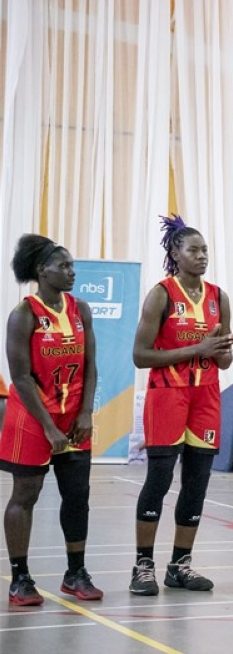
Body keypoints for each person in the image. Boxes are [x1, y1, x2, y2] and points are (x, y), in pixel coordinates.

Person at [129, 216, 233, 596]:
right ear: (175, 253)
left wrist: (221, 349)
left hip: (206, 396)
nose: (202, 256)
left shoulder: (218, 296)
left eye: (205, 249)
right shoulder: (161, 294)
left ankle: (180, 565)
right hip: (167, 395)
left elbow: (223, 361)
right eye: (193, 249)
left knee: (197, 484)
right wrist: (198, 348)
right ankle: (143, 566)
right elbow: (140, 356)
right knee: (158, 481)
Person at [1, 235, 101, 605]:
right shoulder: (23, 314)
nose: (72, 272)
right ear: (42, 270)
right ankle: (20, 578)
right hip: (32, 417)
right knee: (26, 495)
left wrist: (87, 411)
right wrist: (48, 427)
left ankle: (76, 573)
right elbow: (21, 377)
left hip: (74, 416)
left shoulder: (81, 309)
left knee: (77, 496)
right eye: (64, 266)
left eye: (72, 265)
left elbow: (91, 365)